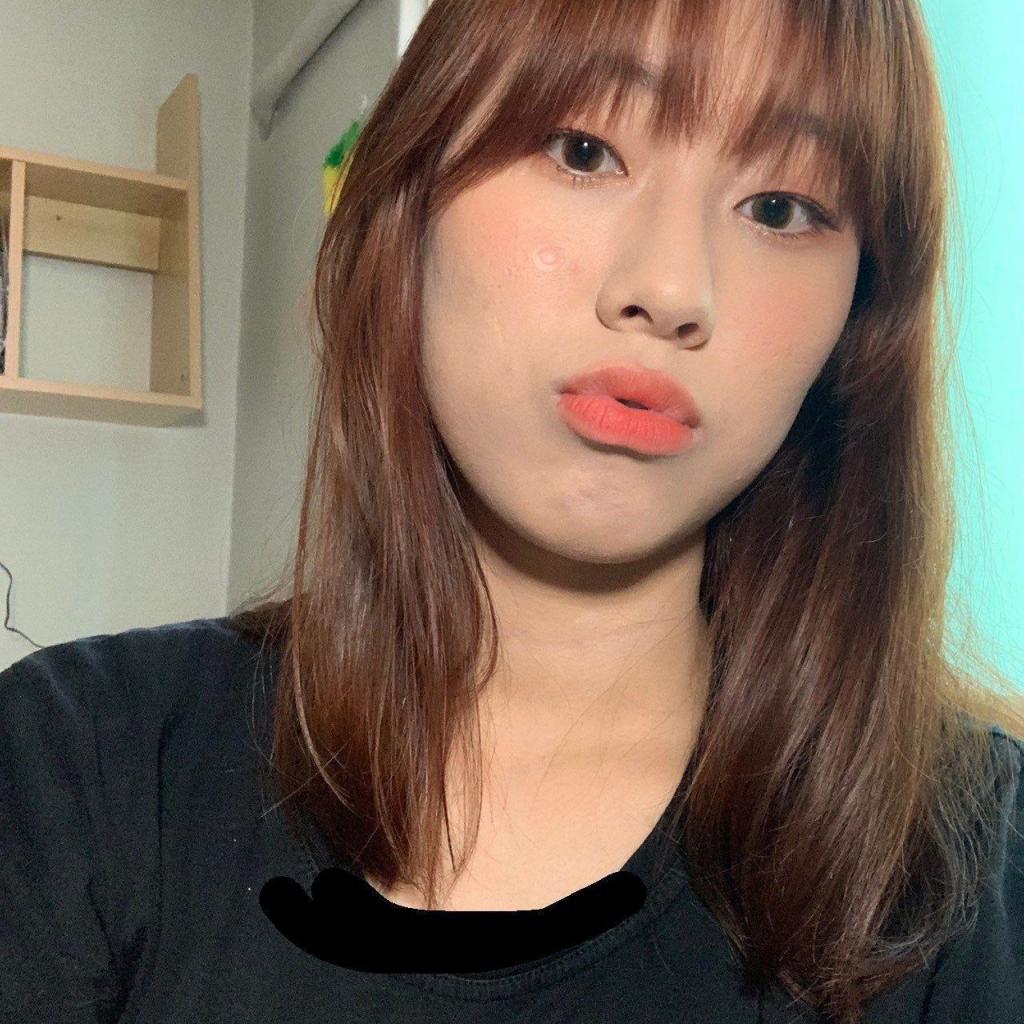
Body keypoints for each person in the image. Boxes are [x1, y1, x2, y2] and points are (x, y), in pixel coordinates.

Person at [2, 0, 1021, 1022]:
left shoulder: (980, 867)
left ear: (859, 320)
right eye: (584, 150)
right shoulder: (78, 770)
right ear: (411, 198)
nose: (670, 287)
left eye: (779, 208)